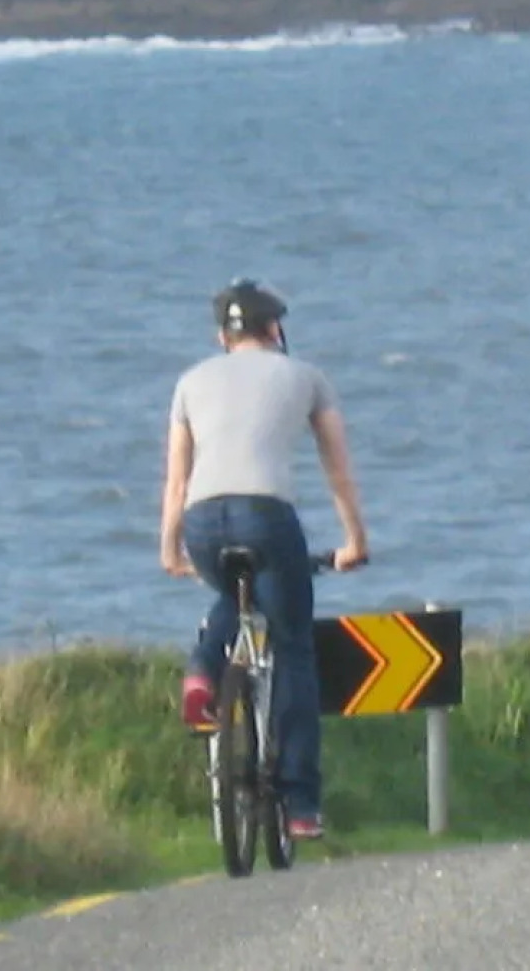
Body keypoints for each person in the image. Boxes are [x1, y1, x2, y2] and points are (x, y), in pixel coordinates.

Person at [159, 277, 369, 840]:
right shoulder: (307, 377)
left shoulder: (190, 382)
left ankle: (203, 670)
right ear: (275, 329)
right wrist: (355, 543)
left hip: (203, 523)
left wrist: (171, 550)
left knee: (232, 593)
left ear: (221, 336)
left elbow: (177, 481)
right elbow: (338, 471)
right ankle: (300, 804)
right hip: (267, 518)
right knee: (294, 649)